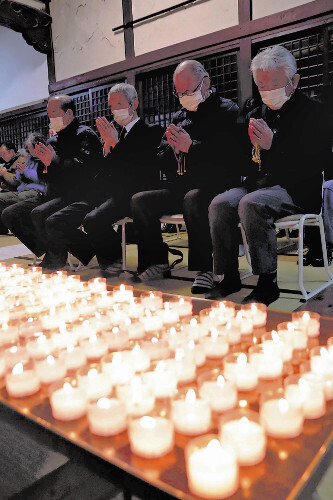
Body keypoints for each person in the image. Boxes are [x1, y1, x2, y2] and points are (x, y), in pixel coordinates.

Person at [208, 45, 332, 305]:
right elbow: (242, 160)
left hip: (297, 187)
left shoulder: (314, 112)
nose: (267, 90)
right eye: (261, 85)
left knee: (251, 203)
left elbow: (320, 160)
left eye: (275, 83)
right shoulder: (255, 111)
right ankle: (228, 277)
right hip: (258, 183)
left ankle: (267, 281)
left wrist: (274, 145)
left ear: (294, 80)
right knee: (220, 204)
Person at [131, 59, 243, 291]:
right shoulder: (178, 117)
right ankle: (159, 261)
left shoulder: (227, 110)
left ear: (206, 83)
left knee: (194, 198)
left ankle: (204, 268)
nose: (184, 97)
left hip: (216, 185)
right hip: (181, 184)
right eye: (179, 92)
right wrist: (172, 151)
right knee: (141, 201)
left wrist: (192, 146)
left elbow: (232, 155)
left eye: (188, 91)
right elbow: (160, 156)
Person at [43, 83, 163, 275]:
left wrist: (115, 145)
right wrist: (108, 151)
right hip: (114, 192)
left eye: (119, 104)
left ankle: (132, 261)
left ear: (134, 103)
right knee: (90, 217)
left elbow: (142, 167)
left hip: (139, 190)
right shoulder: (116, 132)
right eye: (112, 106)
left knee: (95, 217)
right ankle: (111, 258)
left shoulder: (150, 130)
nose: (115, 110)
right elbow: (107, 170)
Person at [14, 94, 103, 269]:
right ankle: (52, 248)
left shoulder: (84, 135)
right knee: (11, 214)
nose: (50, 118)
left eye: (53, 113)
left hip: (79, 194)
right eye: (48, 114)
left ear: (69, 113)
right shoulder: (53, 139)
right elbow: (45, 174)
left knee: (39, 214)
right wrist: (43, 167)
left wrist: (54, 161)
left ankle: (67, 252)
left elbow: (85, 172)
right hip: (54, 192)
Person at [1, 132, 47, 240]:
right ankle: (23, 228)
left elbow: (42, 178)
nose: (28, 150)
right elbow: (20, 178)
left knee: (21, 198)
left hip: (39, 190)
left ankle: (28, 229)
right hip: (25, 188)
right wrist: (21, 173)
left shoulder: (44, 158)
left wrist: (23, 173)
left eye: (30, 147)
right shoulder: (30, 159)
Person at [0, 141, 27, 234]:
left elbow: (16, 181)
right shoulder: (7, 163)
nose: (2, 156)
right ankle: (2, 228)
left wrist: (4, 173)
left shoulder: (21, 161)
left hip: (20, 192)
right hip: (9, 191)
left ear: (11, 151)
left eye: (3, 153)